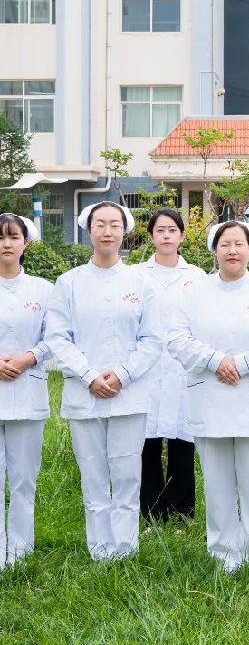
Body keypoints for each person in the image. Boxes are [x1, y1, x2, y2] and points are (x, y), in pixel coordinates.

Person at [168, 220, 249, 572]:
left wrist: (241, 363)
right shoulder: (193, 293)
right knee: (217, 483)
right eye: (225, 244)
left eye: (239, 244)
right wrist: (215, 361)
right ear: (215, 250)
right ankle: (223, 552)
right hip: (211, 399)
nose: (232, 251)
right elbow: (177, 340)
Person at [45, 201, 161, 560]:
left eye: (114, 224)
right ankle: (99, 550)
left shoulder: (142, 282)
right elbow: (58, 337)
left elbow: (152, 339)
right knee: (93, 474)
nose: (107, 231)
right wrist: (89, 376)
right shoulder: (69, 283)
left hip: (129, 395)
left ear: (125, 231)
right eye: (100, 224)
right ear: (88, 230)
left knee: (127, 475)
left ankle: (125, 550)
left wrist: (122, 375)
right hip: (84, 394)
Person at [138, 208, 206, 523]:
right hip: (147, 369)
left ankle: (182, 513)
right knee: (147, 443)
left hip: (183, 369)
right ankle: (151, 512)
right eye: (160, 230)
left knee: (183, 442)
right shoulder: (136, 275)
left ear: (182, 236)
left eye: (172, 230)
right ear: (151, 236)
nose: (166, 236)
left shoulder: (197, 277)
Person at [0, 214, 52, 568]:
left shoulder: (43, 290)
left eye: (13, 237)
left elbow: (56, 337)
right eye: (1, 238)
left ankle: (19, 552)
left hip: (28, 393)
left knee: (23, 480)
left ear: (25, 243)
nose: (7, 244)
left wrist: (28, 358)